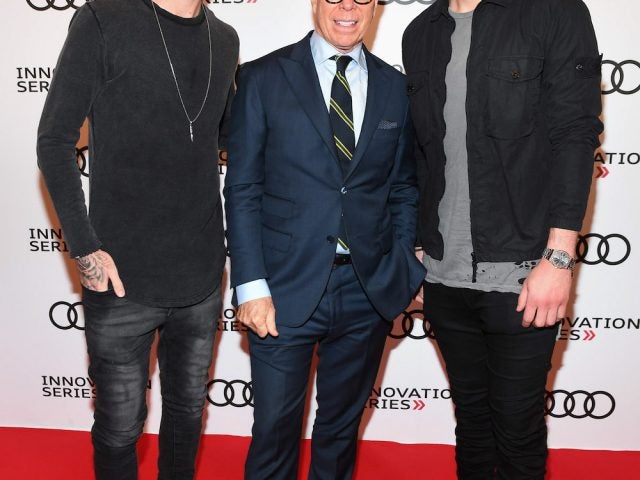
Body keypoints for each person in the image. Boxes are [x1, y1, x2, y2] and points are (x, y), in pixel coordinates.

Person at [37, 0, 238, 478]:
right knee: (120, 427)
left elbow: (228, 135)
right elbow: (55, 139)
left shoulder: (225, 38)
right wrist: (85, 247)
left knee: (188, 416)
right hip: (120, 277)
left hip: (202, 275)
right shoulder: (104, 19)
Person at [224, 0, 425, 478]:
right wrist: (250, 285)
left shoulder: (395, 87)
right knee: (274, 431)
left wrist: (400, 266)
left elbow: (402, 187)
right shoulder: (262, 77)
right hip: (281, 288)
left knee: (339, 432)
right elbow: (243, 188)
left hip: (367, 291)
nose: (347, 7)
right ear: (315, 2)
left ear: (375, 8)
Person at [402, 0, 602, 478]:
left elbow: (576, 136)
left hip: (524, 274)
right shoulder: (421, 31)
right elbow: (422, 154)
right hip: (443, 277)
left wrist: (558, 258)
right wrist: (418, 245)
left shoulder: (554, 11)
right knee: (472, 425)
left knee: (517, 433)